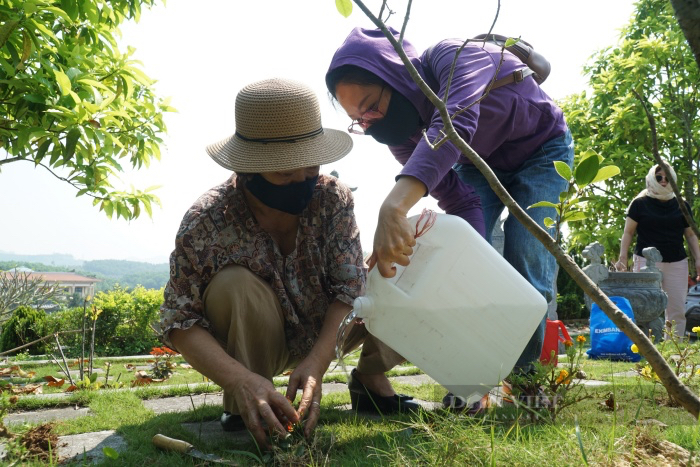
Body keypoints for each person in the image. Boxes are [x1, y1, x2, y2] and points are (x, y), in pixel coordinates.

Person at [159, 78, 419, 449]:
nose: (302, 180)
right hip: (259, 338)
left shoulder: (332, 199)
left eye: (310, 167)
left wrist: (317, 362)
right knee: (234, 284)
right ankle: (249, 398)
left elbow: (349, 289)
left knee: (399, 264)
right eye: (285, 173)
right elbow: (179, 322)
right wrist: (238, 380)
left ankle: (370, 380)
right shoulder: (208, 220)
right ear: (250, 170)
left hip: (329, 326)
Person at [325, 28, 574, 392]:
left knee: (527, 259)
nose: (371, 123)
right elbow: (463, 203)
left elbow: (455, 121)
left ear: (396, 74)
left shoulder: (454, 57)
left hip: (542, 149)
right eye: (360, 120)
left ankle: (524, 387)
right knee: (450, 269)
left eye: (371, 107)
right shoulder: (407, 138)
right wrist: (468, 267)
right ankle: (476, 381)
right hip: (477, 163)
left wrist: (394, 206)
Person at [615, 161, 700, 338]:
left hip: (676, 262)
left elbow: (691, 235)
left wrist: (699, 259)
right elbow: (628, 232)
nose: (663, 181)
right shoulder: (639, 203)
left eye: (667, 178)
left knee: (676, 309)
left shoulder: (681, 204)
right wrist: (622, 258)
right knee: (643, 307)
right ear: (651, 178)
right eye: (658, 177)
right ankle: (643, 348)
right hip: (646, 262)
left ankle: (674, 350)